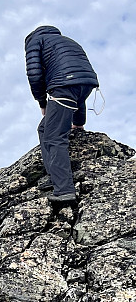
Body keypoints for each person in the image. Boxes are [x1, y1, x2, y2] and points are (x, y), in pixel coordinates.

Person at [24, 25, 99, 207]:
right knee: (44, 128)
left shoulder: (35, 41)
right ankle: (54, 176)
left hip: (63, 85)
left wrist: (42, 102)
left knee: (53, 136)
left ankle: (64, 190)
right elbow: (77, 89)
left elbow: (34, 73)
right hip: (87, 83)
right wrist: (79, 123)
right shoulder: (69, 41)